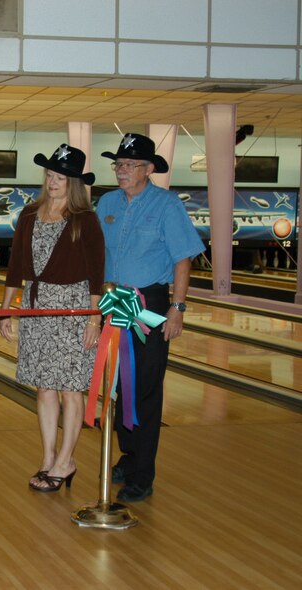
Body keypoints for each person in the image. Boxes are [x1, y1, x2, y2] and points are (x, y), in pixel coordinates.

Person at [97, 133, 204, 502]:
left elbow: (183, 259)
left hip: (150, 306)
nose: (120, 171)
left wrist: (177, 308)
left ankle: (143, 474)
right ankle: (128, 455)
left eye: (128, 165)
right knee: (118, 386)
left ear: (147, 169)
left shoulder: (166, 204)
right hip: (113, 303)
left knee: (145, 388)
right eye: (118, 165)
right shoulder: (107, 202)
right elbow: (97, 254)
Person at [0, 144, 104, 493]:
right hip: (36, 305)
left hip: (74, 310)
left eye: (61, 177)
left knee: (71, 389)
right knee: (44, 387)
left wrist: (94, 319)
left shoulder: (84, 218)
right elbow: (15, 266)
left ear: (73, 182)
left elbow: (96, 272)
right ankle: (48, 458)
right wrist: (6, 309)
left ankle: (66, 461)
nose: (53, 181)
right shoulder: (30, 214)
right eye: (50, 175)